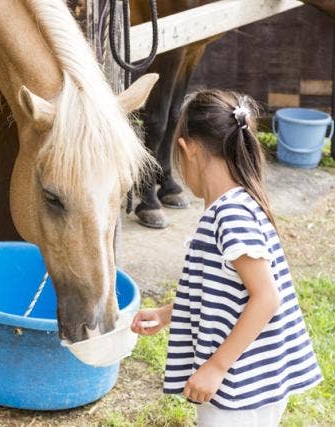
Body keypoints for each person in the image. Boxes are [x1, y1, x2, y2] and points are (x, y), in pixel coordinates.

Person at [131, 89, 322, 426]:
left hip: (242, 385)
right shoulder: (234, 206)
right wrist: (167, 313)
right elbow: (225, 291)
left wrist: (216, 367)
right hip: (244, 379)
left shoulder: (231, 215)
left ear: (186, 150)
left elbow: (266, 297)